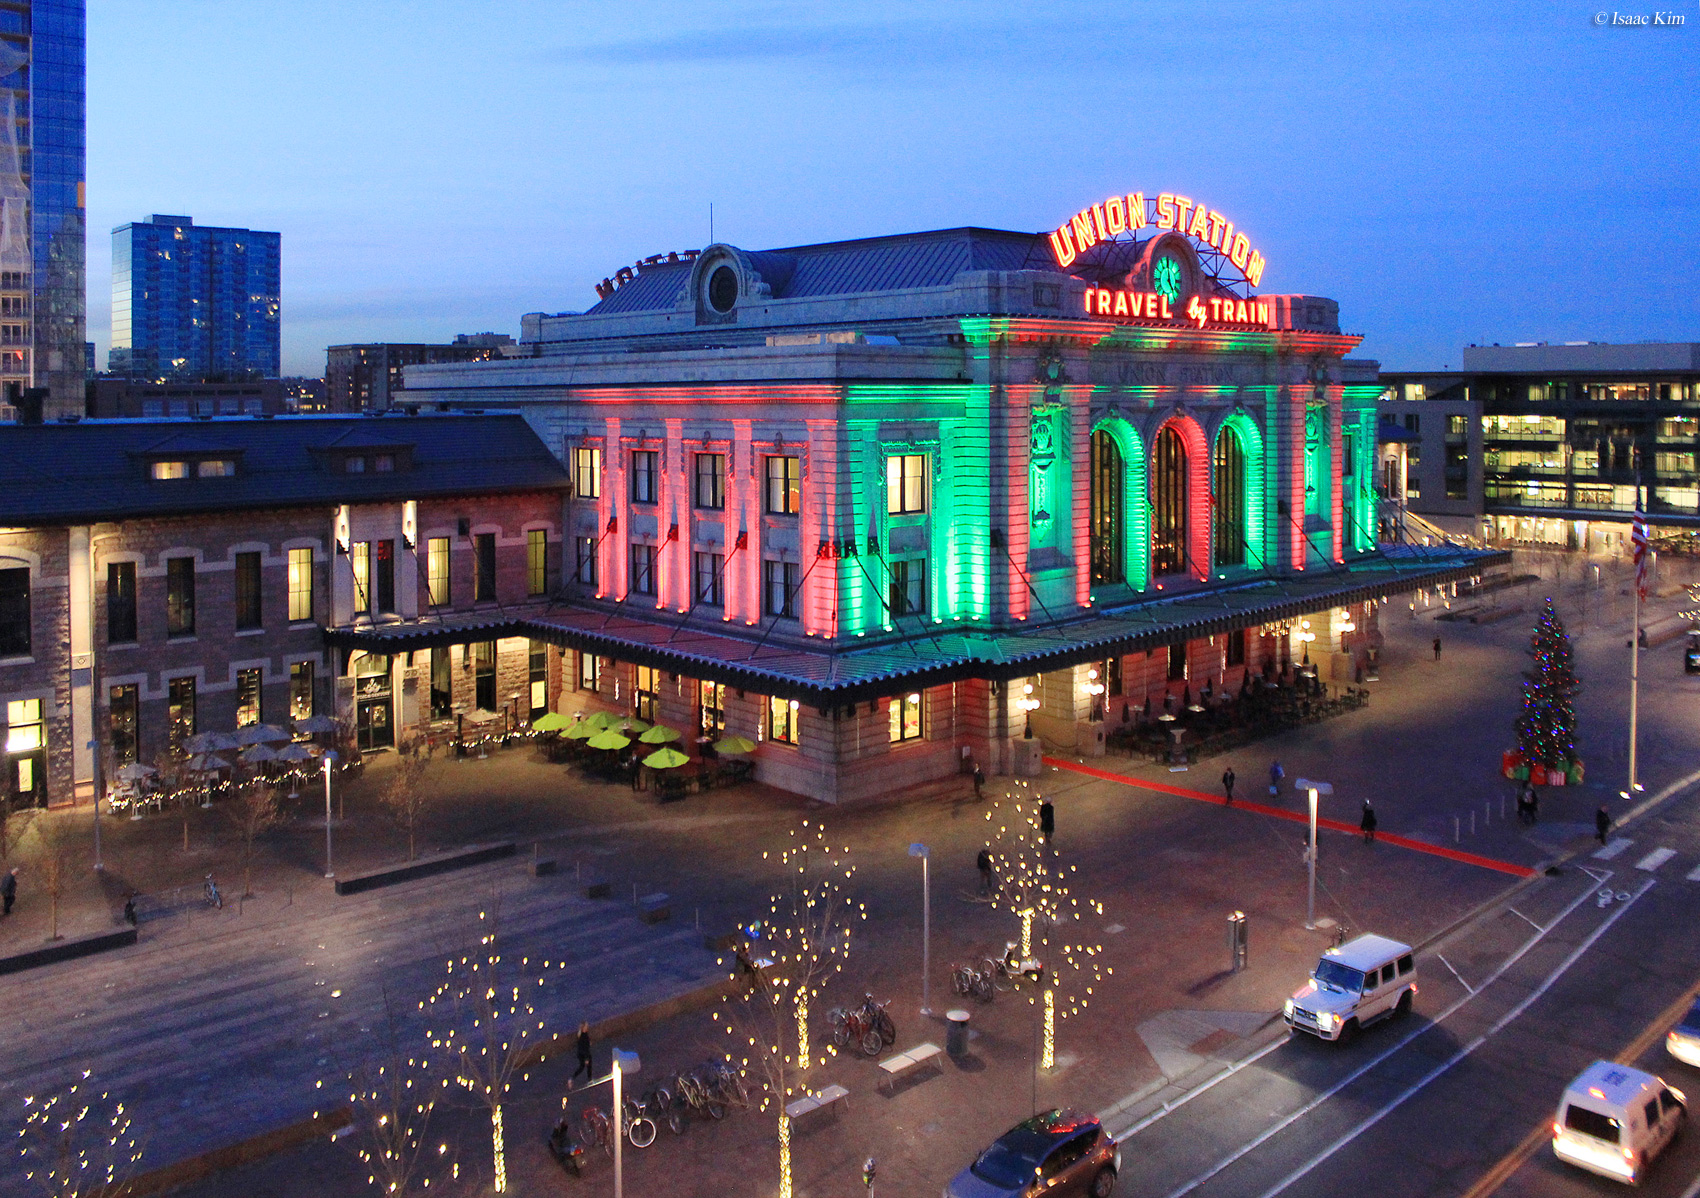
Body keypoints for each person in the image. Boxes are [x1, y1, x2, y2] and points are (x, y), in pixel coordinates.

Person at [569, 1021, 593, 1088]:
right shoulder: (584, 1036)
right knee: (587, 1066)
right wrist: (586, 1058)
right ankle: (589, 1080)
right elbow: (584, 1047)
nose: (587, 1027)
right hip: (584, 1054)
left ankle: (572, 1078)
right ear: (583, 1027)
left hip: (580, 1054)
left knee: (582, 1067)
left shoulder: (581, 1034)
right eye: (586, 1026)